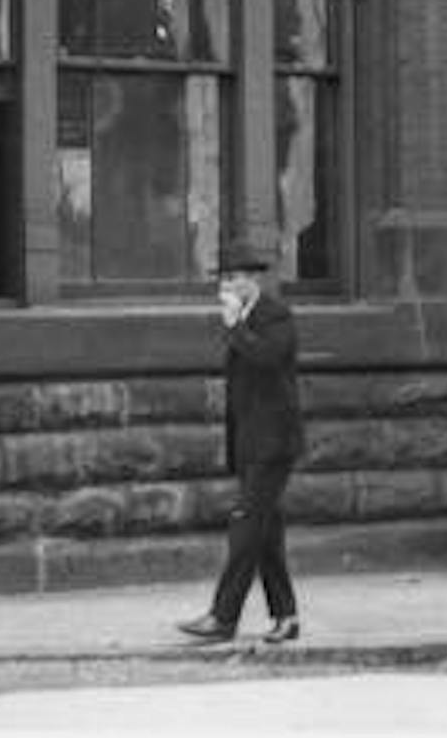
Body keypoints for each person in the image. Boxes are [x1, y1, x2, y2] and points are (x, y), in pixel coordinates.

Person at [177, 238, 305, 644]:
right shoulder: (244, 321)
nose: (226, 287)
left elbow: (268, 360)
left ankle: (223, 616)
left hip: (274, 444)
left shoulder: (275, 315)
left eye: (233, 278)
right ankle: (286, 616)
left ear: (252, 280)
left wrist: (236, 328)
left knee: (246, 528)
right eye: (224, 279)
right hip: (250, 442)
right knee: (265, 534)